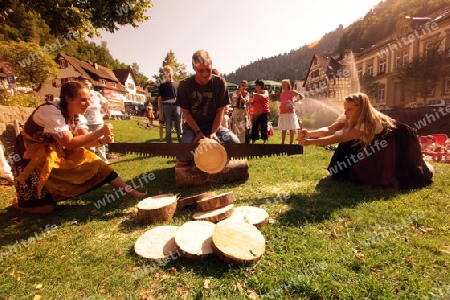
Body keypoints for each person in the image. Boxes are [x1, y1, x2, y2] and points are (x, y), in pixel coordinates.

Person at [11, 81, 146, 214]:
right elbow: (69, 142)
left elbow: (85, 139)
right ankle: (19, 203)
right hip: (29, 155)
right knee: (45, 208)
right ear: (68, 99)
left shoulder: (77, 115)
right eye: (83, 100)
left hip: (55, 149)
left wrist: (101, 140)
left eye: (88, 100)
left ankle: (130, 192)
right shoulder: (51, 111)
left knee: (96, 164)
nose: (88, 104)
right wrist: (99, 132)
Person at [298, 92, 433, 189]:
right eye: (345, 108)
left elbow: (339, 137)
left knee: (400, 173)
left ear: (360, 108)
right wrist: (309, 133)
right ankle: (337, 173)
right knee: (348, 145)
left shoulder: (368, 122)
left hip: (398, 137)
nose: (345, 112)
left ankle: (339, 173)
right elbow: (330, 129)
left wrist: (309, 142)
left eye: (349, 109)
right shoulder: (349, 114)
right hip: (380, 137)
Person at [176, 50, 240, 164]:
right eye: (201, 70)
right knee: (184, 157)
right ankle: (202, 158)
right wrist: (197, 132)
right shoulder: (184, 85)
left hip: (214, 126)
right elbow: (187, 114)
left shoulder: (219, 83)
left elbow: (220, 112)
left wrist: (214, 132)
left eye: (208, 69)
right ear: (193, 68)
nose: (205, 73)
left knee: (236, 145)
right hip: (192, 127)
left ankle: (215, 157)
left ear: (211, 65)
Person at [78, 76, 110, 164]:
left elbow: (106, 103)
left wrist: (103, 113)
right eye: (83, 83)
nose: (86, 84)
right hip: (85, 123)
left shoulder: (96, 94)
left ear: (91, 84)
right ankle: (92, 162)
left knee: (101, 141)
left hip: (98, 121)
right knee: (89, 143)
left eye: (87, 82)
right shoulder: (79, 94)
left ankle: (103, 160)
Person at [158, 65, 182, 143]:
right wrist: (160, 113)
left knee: (179, 128)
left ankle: (182, 146)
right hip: (166, 108)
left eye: (169, 71)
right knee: (168, 129)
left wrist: (184, 112)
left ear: (172, 72)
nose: (168, 73)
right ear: (164, 74)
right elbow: (159, 100)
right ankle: (169, 148)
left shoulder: (178, 85)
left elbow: (182, 99)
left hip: (177, 107)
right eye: (166, 72)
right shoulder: (162, 86)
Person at [278, 79, 302, 144]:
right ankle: (283, 142)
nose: (283, 86)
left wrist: (295, 101)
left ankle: (291, 143)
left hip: (290, 112)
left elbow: (300, 96)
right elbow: (282, 103)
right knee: (284, 128)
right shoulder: (282, 94)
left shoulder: (292, 92)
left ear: (288, 85)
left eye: (284, 85)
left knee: (291, 128)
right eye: (282, 85)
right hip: (283, 112)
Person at [251, 79, 270, 144]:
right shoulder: (255, 94)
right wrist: (251, 102)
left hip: (264, 111)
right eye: (255, 85)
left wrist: (255, 94)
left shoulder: (265, 91)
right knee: (254, 127)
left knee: (263, 126)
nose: (255, 86)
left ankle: (264, 141)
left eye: (256, 85)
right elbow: (254, 103)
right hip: (256, 112)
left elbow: (263, 96)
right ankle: (253, 140)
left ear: (260, 85)